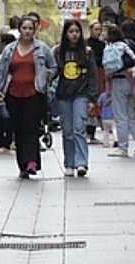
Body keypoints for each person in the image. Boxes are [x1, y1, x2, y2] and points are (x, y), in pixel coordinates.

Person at [0, 15, 57, 178]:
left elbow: (54, 66)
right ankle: (23, 166)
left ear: (35, 30)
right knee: (18, 129)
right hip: (13, 94)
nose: (28, 31)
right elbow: (1, 71)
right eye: (25, 28)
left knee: (30, 128)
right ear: (19, 30)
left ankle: (32, 162)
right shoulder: (9, 49)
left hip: (34, 93)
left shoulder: (42, 49)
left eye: (31, 28)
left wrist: (47, 76)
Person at [54, 19, 98, 176]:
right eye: (71, 31)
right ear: (66, 34)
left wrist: (92, 98)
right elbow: (54, 73)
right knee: (67, 131)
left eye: (77, 31)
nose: (74, 34)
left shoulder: (87, 52)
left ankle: (81, 163)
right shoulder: (58, 52)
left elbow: (93, 76)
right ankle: (69, 163)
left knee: (79, 129)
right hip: (63, 96)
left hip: (81, 94)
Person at [102, 23, 135, 157]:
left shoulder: (110, 47)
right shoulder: (125, 44)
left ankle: (123, 147)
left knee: (120, 116)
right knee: (131, 116)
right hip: (130, 81)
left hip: (118, 81)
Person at [85, 21, 107, 143]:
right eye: (96, 29)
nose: (98, 32)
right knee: (90, 100)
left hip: (100, 73)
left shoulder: (103, 45)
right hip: (89, 74)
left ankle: (93, 131)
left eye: (100, 29)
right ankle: (89, 131)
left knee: (99, 100)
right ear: (91, 30)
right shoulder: (86, 44)